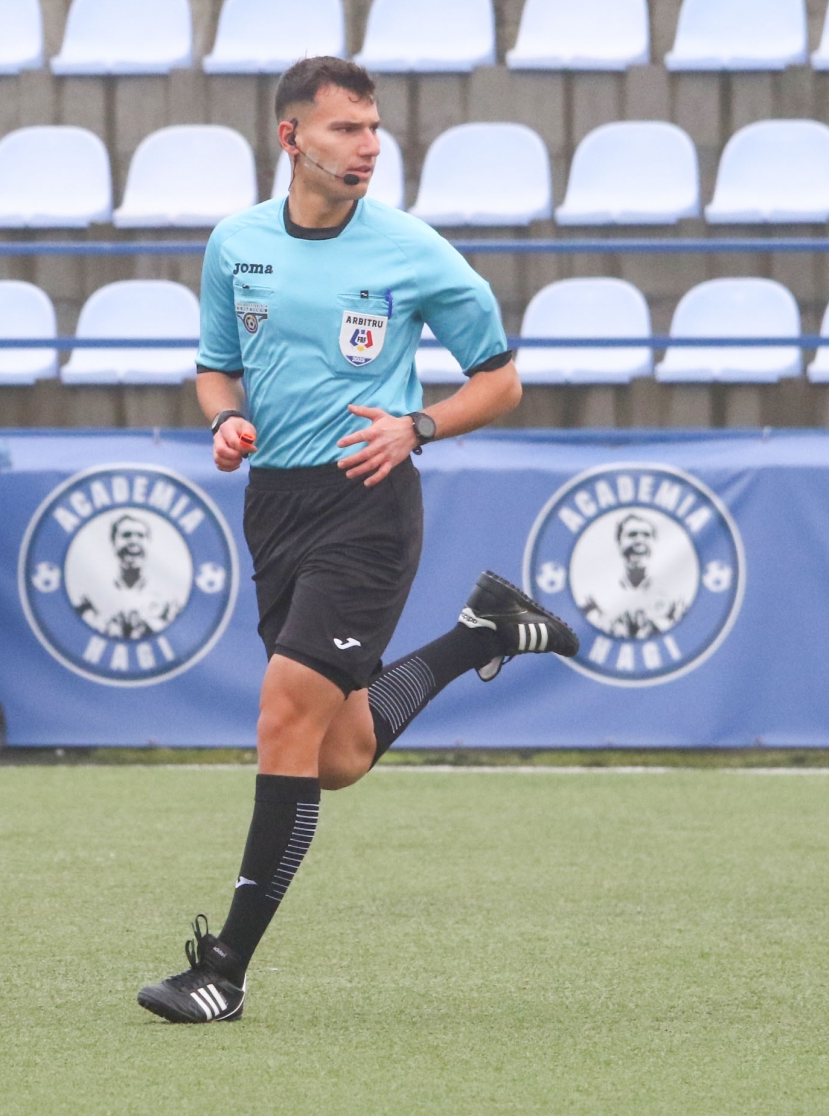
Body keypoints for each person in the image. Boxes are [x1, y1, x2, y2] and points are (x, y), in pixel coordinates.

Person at [136, 56, 580, 1025]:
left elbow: (500, 382)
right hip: (274, 508)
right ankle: (481, 634)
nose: (369, 145)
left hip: (368, 509)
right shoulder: (237, 243)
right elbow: (215, 369)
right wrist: (225, 420)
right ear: (291, 138)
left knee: (281, 720)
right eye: (346, 128)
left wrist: (416, 426)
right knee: (334, 754)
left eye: (374, 128)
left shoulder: (412, 249)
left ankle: (224, 971)